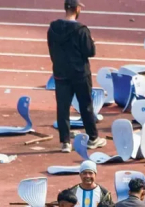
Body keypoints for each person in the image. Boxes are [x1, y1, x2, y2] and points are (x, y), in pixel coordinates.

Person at [47, 0, 106, 153]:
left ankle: (65, 142)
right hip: (80, 74)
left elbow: (51, 49)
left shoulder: (53, 28)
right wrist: (92, 43)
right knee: (85, 105)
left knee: (62, 107)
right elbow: (90, 52)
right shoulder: (81, 30)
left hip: (60, 73)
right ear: (77, 9)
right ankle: (93, 138)